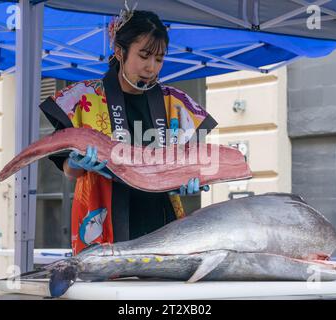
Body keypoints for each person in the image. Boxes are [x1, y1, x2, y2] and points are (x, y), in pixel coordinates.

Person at [39, 5, 218, 255]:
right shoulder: (84, 99)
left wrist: (191, 178)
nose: (151, 67)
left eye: (159, 59)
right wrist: (78, 162)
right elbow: (68, 169)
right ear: (119, 51)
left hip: (161, 222)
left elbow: (190, 161)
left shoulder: (174, 103)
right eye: (144, 56)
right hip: (100, 221)